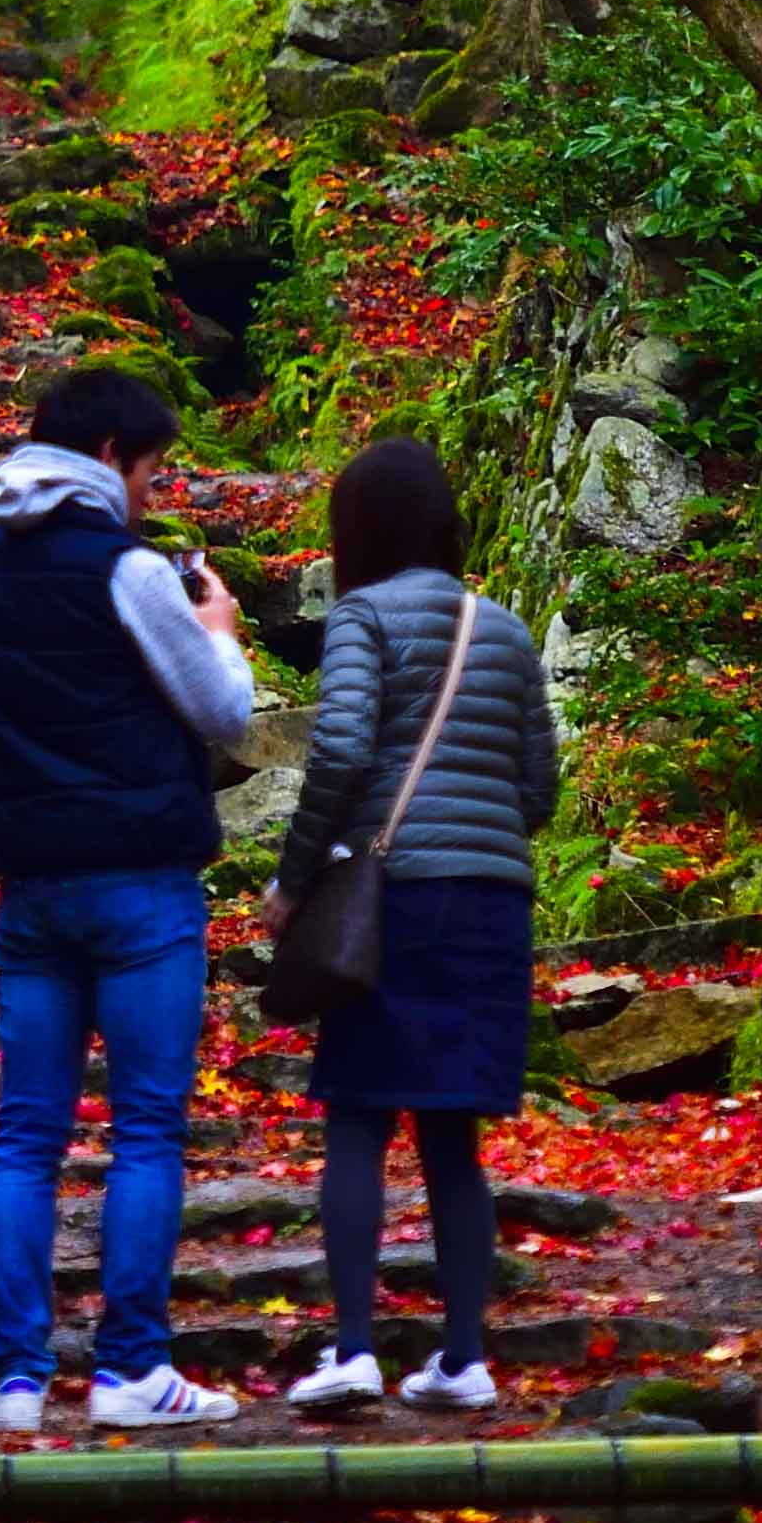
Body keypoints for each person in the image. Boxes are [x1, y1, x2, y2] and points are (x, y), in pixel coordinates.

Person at [0, 356, 265, 1433]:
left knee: (25, 1132)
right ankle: (130, 1367)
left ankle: (14, 1378)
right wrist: (220, 630)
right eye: (155, 471)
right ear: (111, 456)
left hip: (29, 880)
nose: (157, 492)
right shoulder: (126, 569)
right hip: (140, 877)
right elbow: (224, 713)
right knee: (148, 1129)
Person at [278, 429, 562, 1413]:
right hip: (491, 897)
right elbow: (539, 790)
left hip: (392, 894)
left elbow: (345, 744)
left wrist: (294, 874)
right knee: (454, 1131)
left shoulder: (361, 615)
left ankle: (353, 1346)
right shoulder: (509, 628)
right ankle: (465, 1356)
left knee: (358, 1113)